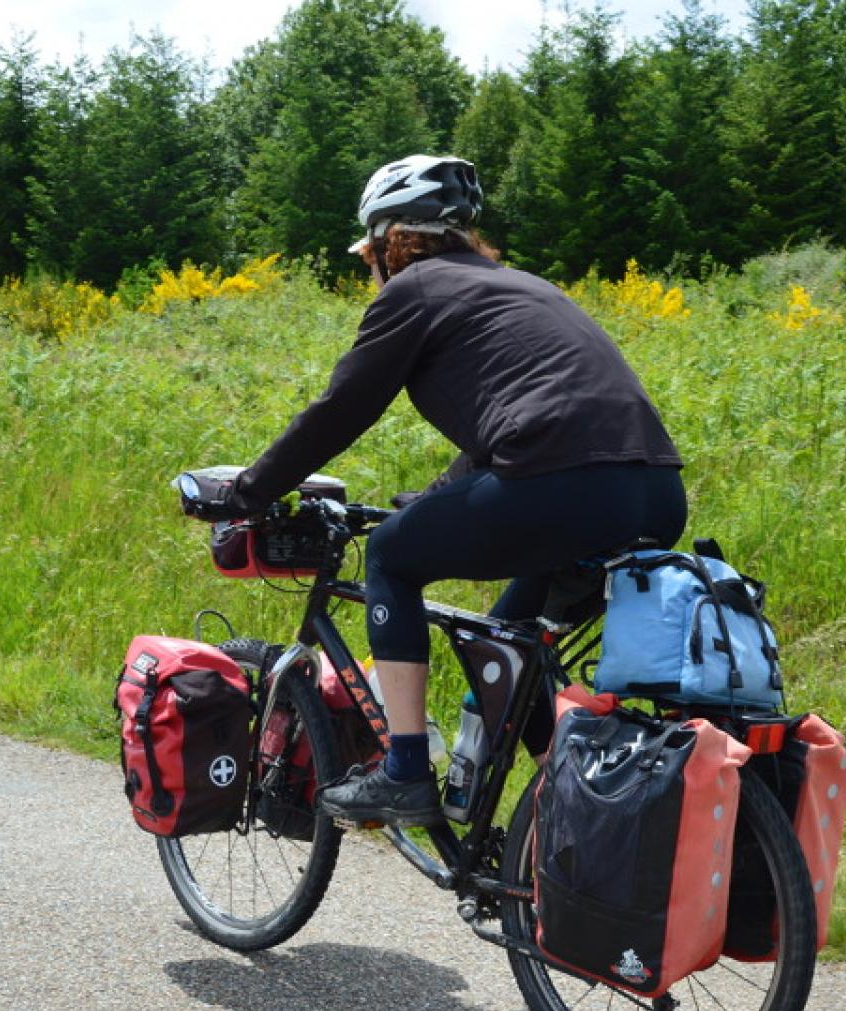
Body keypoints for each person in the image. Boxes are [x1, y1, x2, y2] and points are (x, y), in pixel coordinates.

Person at [217, 154, 687, 826]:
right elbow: (525, 425)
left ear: (388, 241)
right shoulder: (523, 287)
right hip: (654, 495)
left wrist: (249, 493)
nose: (368, 270)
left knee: (391, 556)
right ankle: (584, 815)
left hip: (560, 485)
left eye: (368, 254)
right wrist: (429, 499)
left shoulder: (415, 291)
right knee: (509, 649)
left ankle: (404, 771)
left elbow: (340, 410)